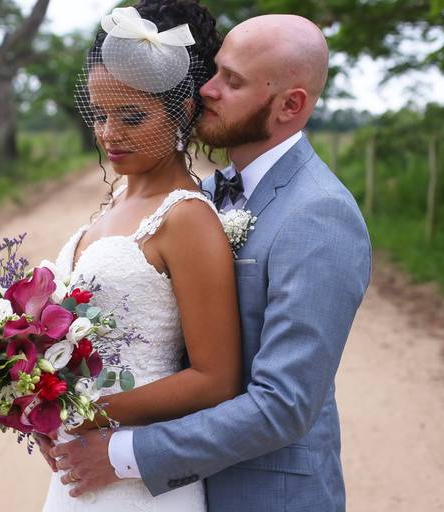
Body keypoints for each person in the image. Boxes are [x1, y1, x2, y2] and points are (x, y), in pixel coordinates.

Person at [48, 11, 373, 512]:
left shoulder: (319, 213)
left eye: (232, 82)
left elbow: (284, 405)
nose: (206, 89)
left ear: (291, 105)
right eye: (216, 70)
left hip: (265, 497)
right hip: (185, 486)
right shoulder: (206, 193)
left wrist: (116, 448)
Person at [35, 1, 241, 511]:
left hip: (139, 478)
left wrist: (86, 413)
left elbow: (216, 380)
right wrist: (37, 403)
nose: (109, 132)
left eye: (131, 116)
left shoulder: (186, 217)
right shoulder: (115, 204)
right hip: (78, 470)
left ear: (182, 112)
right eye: (100, 114)